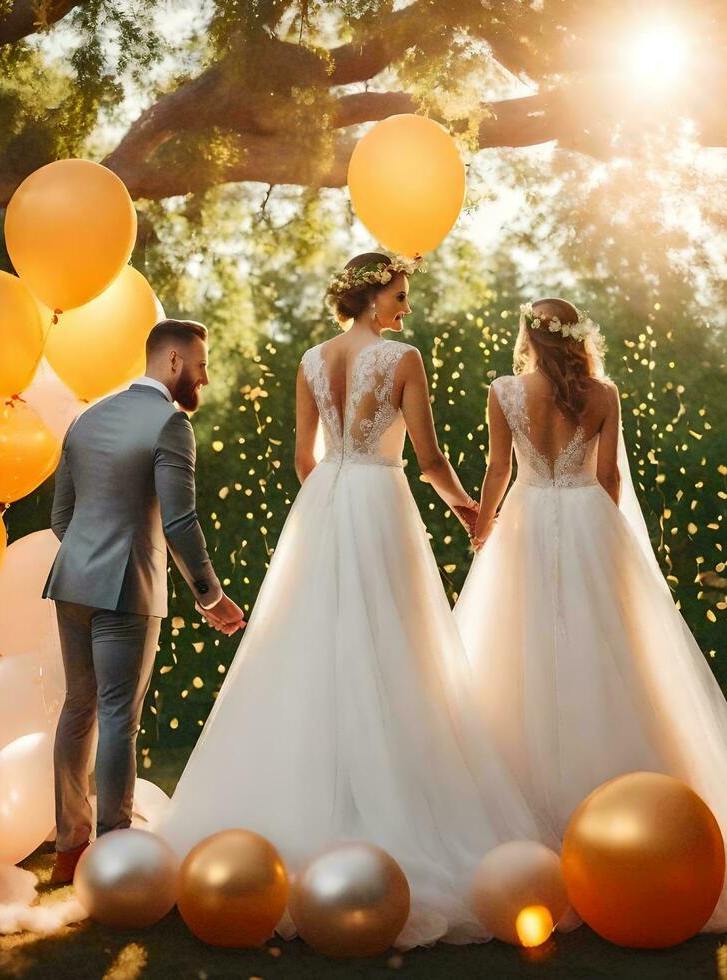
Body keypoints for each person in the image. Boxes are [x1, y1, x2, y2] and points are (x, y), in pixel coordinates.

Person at [158, 253, 543, 947]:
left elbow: (303, 458)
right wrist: (464, 509)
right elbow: (427, 458)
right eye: (399, 294)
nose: (405, 306)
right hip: (378, 503)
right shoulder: (403, 358)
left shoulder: (310, 359)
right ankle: (388, 815)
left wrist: (329, 496)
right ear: (371, 299)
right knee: (397, 654)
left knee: (311, 653)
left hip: (325, 506)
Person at [453, 298, 727, 931]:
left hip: (526, 524)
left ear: (529, 335)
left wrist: (482, 534)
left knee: (518, 657)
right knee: (606, 663)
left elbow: (497, 471)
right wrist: (609, 541)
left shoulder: (503, 391)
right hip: (589, 521)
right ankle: (630, 828)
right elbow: (611, 477)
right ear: (576, 337)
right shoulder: (603, 393)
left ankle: (529, 827)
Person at [43, 318, 246, 884]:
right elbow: (180, 521)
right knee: (117, 720)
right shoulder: (171, 425)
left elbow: (61, 518)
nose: (204, 379)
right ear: (174, 362)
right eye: (201, 367)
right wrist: (210, 595)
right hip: (127, 589)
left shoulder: (86, 418)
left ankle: (68, 851)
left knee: (76, 710)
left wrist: (89, 556)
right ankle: (113, 856)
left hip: (70, 585)